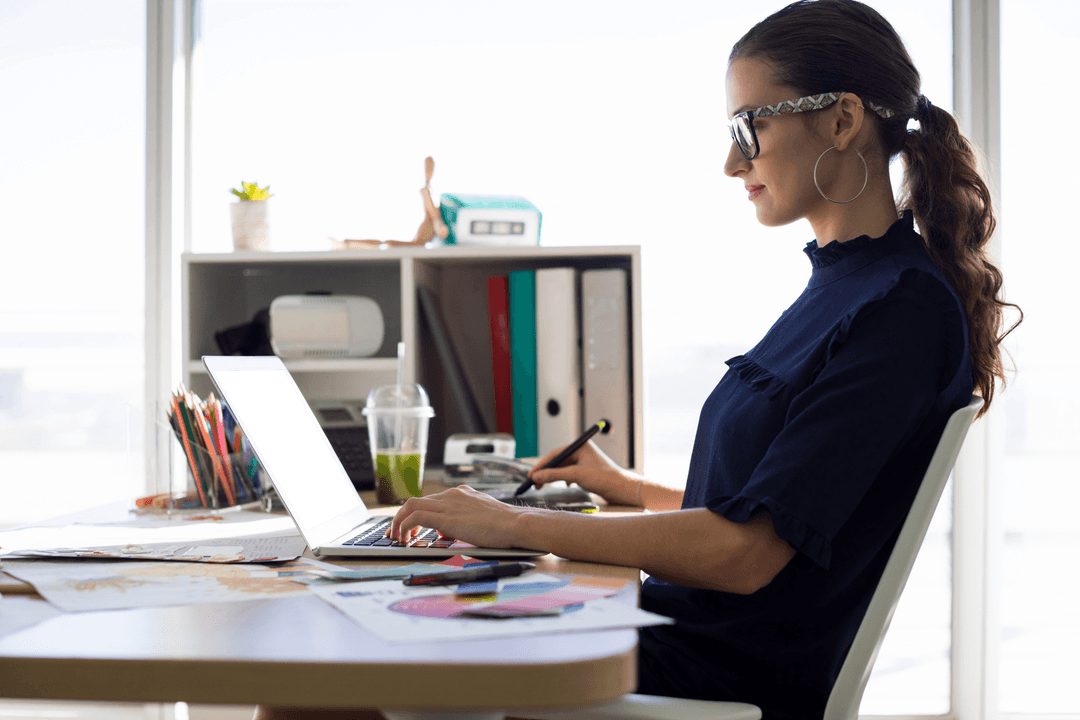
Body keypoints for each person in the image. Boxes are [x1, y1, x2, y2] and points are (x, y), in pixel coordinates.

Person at [255, 1, 1019, 719]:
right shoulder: (849, 284)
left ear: (843, 119)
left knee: (321, 679)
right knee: (331, 658)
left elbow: (746, 555)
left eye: (748, 129)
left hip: (714, 672)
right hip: (678, 636)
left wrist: (515, 522)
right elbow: (782, 501)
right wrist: (628, 489)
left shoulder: (898, 312)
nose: (730, 161)